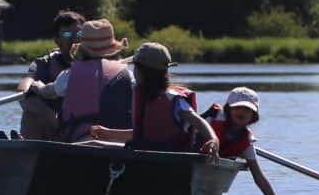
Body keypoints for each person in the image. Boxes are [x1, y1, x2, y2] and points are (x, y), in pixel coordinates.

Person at [87, 41, 219, 156]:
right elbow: (144, 134)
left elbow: (199, 122)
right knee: (92, 144)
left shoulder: (174, 99)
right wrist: (109, 133)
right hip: (146, 153)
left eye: (135, 68)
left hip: (171, 158)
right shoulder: (145, 97)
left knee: (91, 145)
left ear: (140, 72)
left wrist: (213, 139)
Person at [23, 18, 133, 141]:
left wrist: (37, 86)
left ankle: (30, 148)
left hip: (79, 141)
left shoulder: (70, 74)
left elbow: (48, 92)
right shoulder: (127, 74)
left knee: (33, 106)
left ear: (82, 49)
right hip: (119, 143)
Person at [203, 86, 293, 195]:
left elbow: (259, 177)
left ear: (253, 115)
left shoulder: (246, 142)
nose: (242, 112)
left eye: (247, 109)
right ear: (228, 109)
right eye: (237, 107)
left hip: (210, 179)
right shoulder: (209, 122)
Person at [15, 10, 85, 139]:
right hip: (56, 126)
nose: (75, 38)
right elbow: (24, 86)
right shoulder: (45, 63)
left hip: (86, 125)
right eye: (68, 34)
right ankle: (28, 149)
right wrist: (31, 85)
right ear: (57, 40)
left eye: (79, 33)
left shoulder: (96, 61)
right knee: (32, 105)